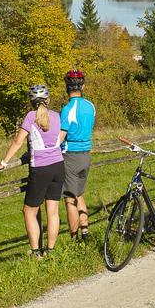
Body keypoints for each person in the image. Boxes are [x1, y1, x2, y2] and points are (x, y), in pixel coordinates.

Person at [0, 84, 64, 257]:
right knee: (53, 211)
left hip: (40, 168)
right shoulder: (55, 115)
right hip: (58, 165)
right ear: (48, 100)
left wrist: (3, 162)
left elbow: (18, 141)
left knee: (29, 211)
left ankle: (36, 253)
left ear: (31, 101)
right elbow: (59, 138)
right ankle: (50, 251)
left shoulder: (31, 116)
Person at [60, 69, 96, 241]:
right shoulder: (90, 106)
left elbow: (61, 135)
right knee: (79, 194)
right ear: (83, 86)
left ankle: (74, 238)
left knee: (69, 199)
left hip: (71, 156)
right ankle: (85, 231)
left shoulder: (67, 109)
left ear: (67, 87)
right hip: (86, 154)